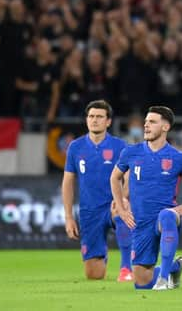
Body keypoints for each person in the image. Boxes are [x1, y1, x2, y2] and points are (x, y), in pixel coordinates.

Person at [110, 105, 182, 290]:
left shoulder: (177, 157)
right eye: (146, 121)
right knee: (141, 283)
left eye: (152, 122)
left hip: (165, 218)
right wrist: (122, 208)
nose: (146, 125)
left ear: (165, 127)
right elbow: (114, 178)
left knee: (166, 215)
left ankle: (164, 279)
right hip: (141, 222)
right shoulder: (131, 152)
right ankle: (174, 267)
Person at [62, 100, 133, 282]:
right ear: (86, 120)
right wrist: (69, 217)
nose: (95, 120)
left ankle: (126, 267)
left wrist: (122, 198)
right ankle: (101, 253)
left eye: (100, 117)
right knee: (94, 275)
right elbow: (68, 182)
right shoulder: (76, 147)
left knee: (121, 208)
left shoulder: (120, 146)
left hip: (113, 205)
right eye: (91, 116)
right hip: (89, 212)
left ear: (108, 122)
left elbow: (129, 178)